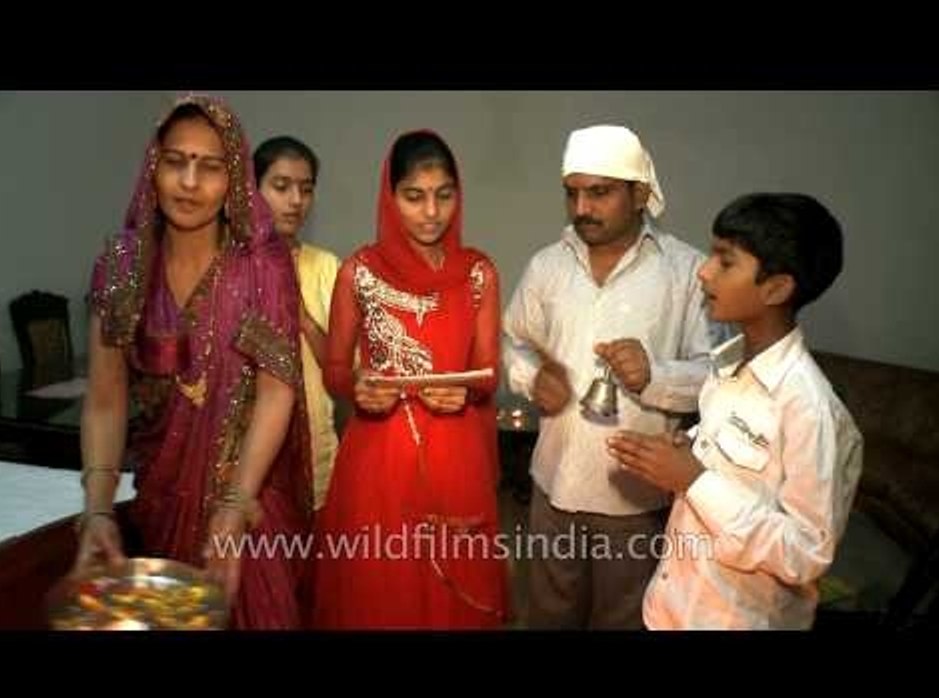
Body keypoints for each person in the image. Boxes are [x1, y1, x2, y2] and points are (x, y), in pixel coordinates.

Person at [72, 94, 313, 630]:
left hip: (247, 501)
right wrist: (97, 508)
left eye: (209, 167)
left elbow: (278, 391)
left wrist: (234, 505)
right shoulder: (121, 265)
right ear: (153, 168)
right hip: (160, 500)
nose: (188, 182)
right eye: (175, 162)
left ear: (233, 181)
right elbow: (106, 398)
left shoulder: (262, 267)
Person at [607, 192, 863, 630]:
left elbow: (806, 553)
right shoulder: (726, 366)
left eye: (725, 261)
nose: (704, 272)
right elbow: (738, 471)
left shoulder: (810, 408)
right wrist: (683, 452)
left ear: (777, 287)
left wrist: (694, 479)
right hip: (672, 607)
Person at [502, 124, 718, 629]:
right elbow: (512, 340)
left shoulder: (687, 272)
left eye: (599, 193)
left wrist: (654, 375)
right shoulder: (547, 267)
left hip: (637, 500)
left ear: (640, 193)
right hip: (552, 487)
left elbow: (720, 377)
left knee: (626, 620)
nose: (581, 208)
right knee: (547, 618)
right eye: (572, 193)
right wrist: (531, 376)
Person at [312, 129, 507, 629]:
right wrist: (357, 385)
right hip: (380, 460)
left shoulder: (478, 272)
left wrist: (466, 389)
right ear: (390, 196)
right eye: (414, 196)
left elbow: (489, 372)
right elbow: (335, 371)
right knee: (383, 594)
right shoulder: (359, 271)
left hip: (455, 451)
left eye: (444, 195)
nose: (431, 212)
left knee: (449, 599)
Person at [254, 135, 341, 511]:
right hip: (245, 459)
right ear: (252, 190)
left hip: (315, 451)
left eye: (305, 190)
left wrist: (303, 319)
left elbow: (341, 371)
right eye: (281, 186)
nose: (295, 201)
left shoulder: (326, 267)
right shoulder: (231, 268)